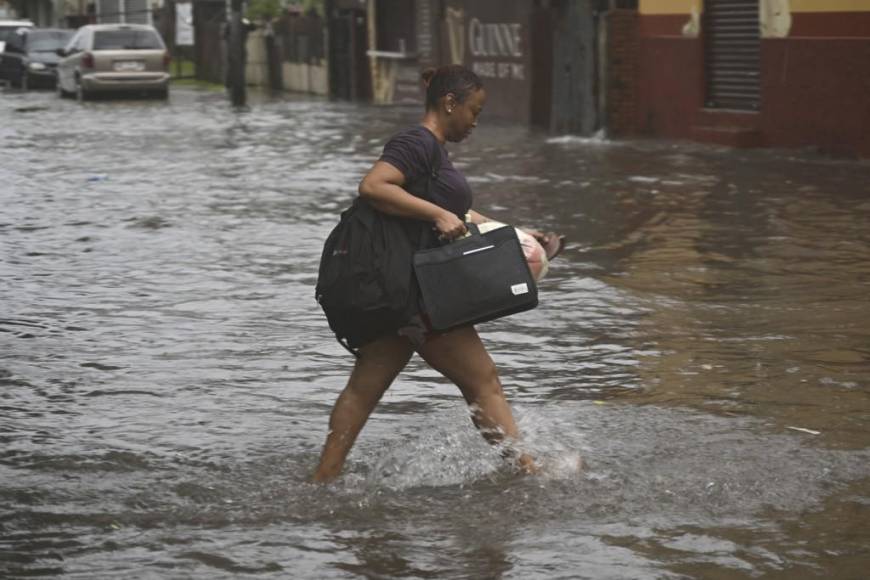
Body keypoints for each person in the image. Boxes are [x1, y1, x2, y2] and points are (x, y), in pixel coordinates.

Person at [313, 65, 558, 483]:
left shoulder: (434, 152)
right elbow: (373, 186)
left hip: (400, 293)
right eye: (474, 111)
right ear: (450, 103)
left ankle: (321, 482)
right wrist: (439, 213)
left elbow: (460, 215)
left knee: (364, 390)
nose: (475, 122)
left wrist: (514, 233)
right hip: (416, 293)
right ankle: (528, 474)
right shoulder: (417, 142)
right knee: (483, 381)